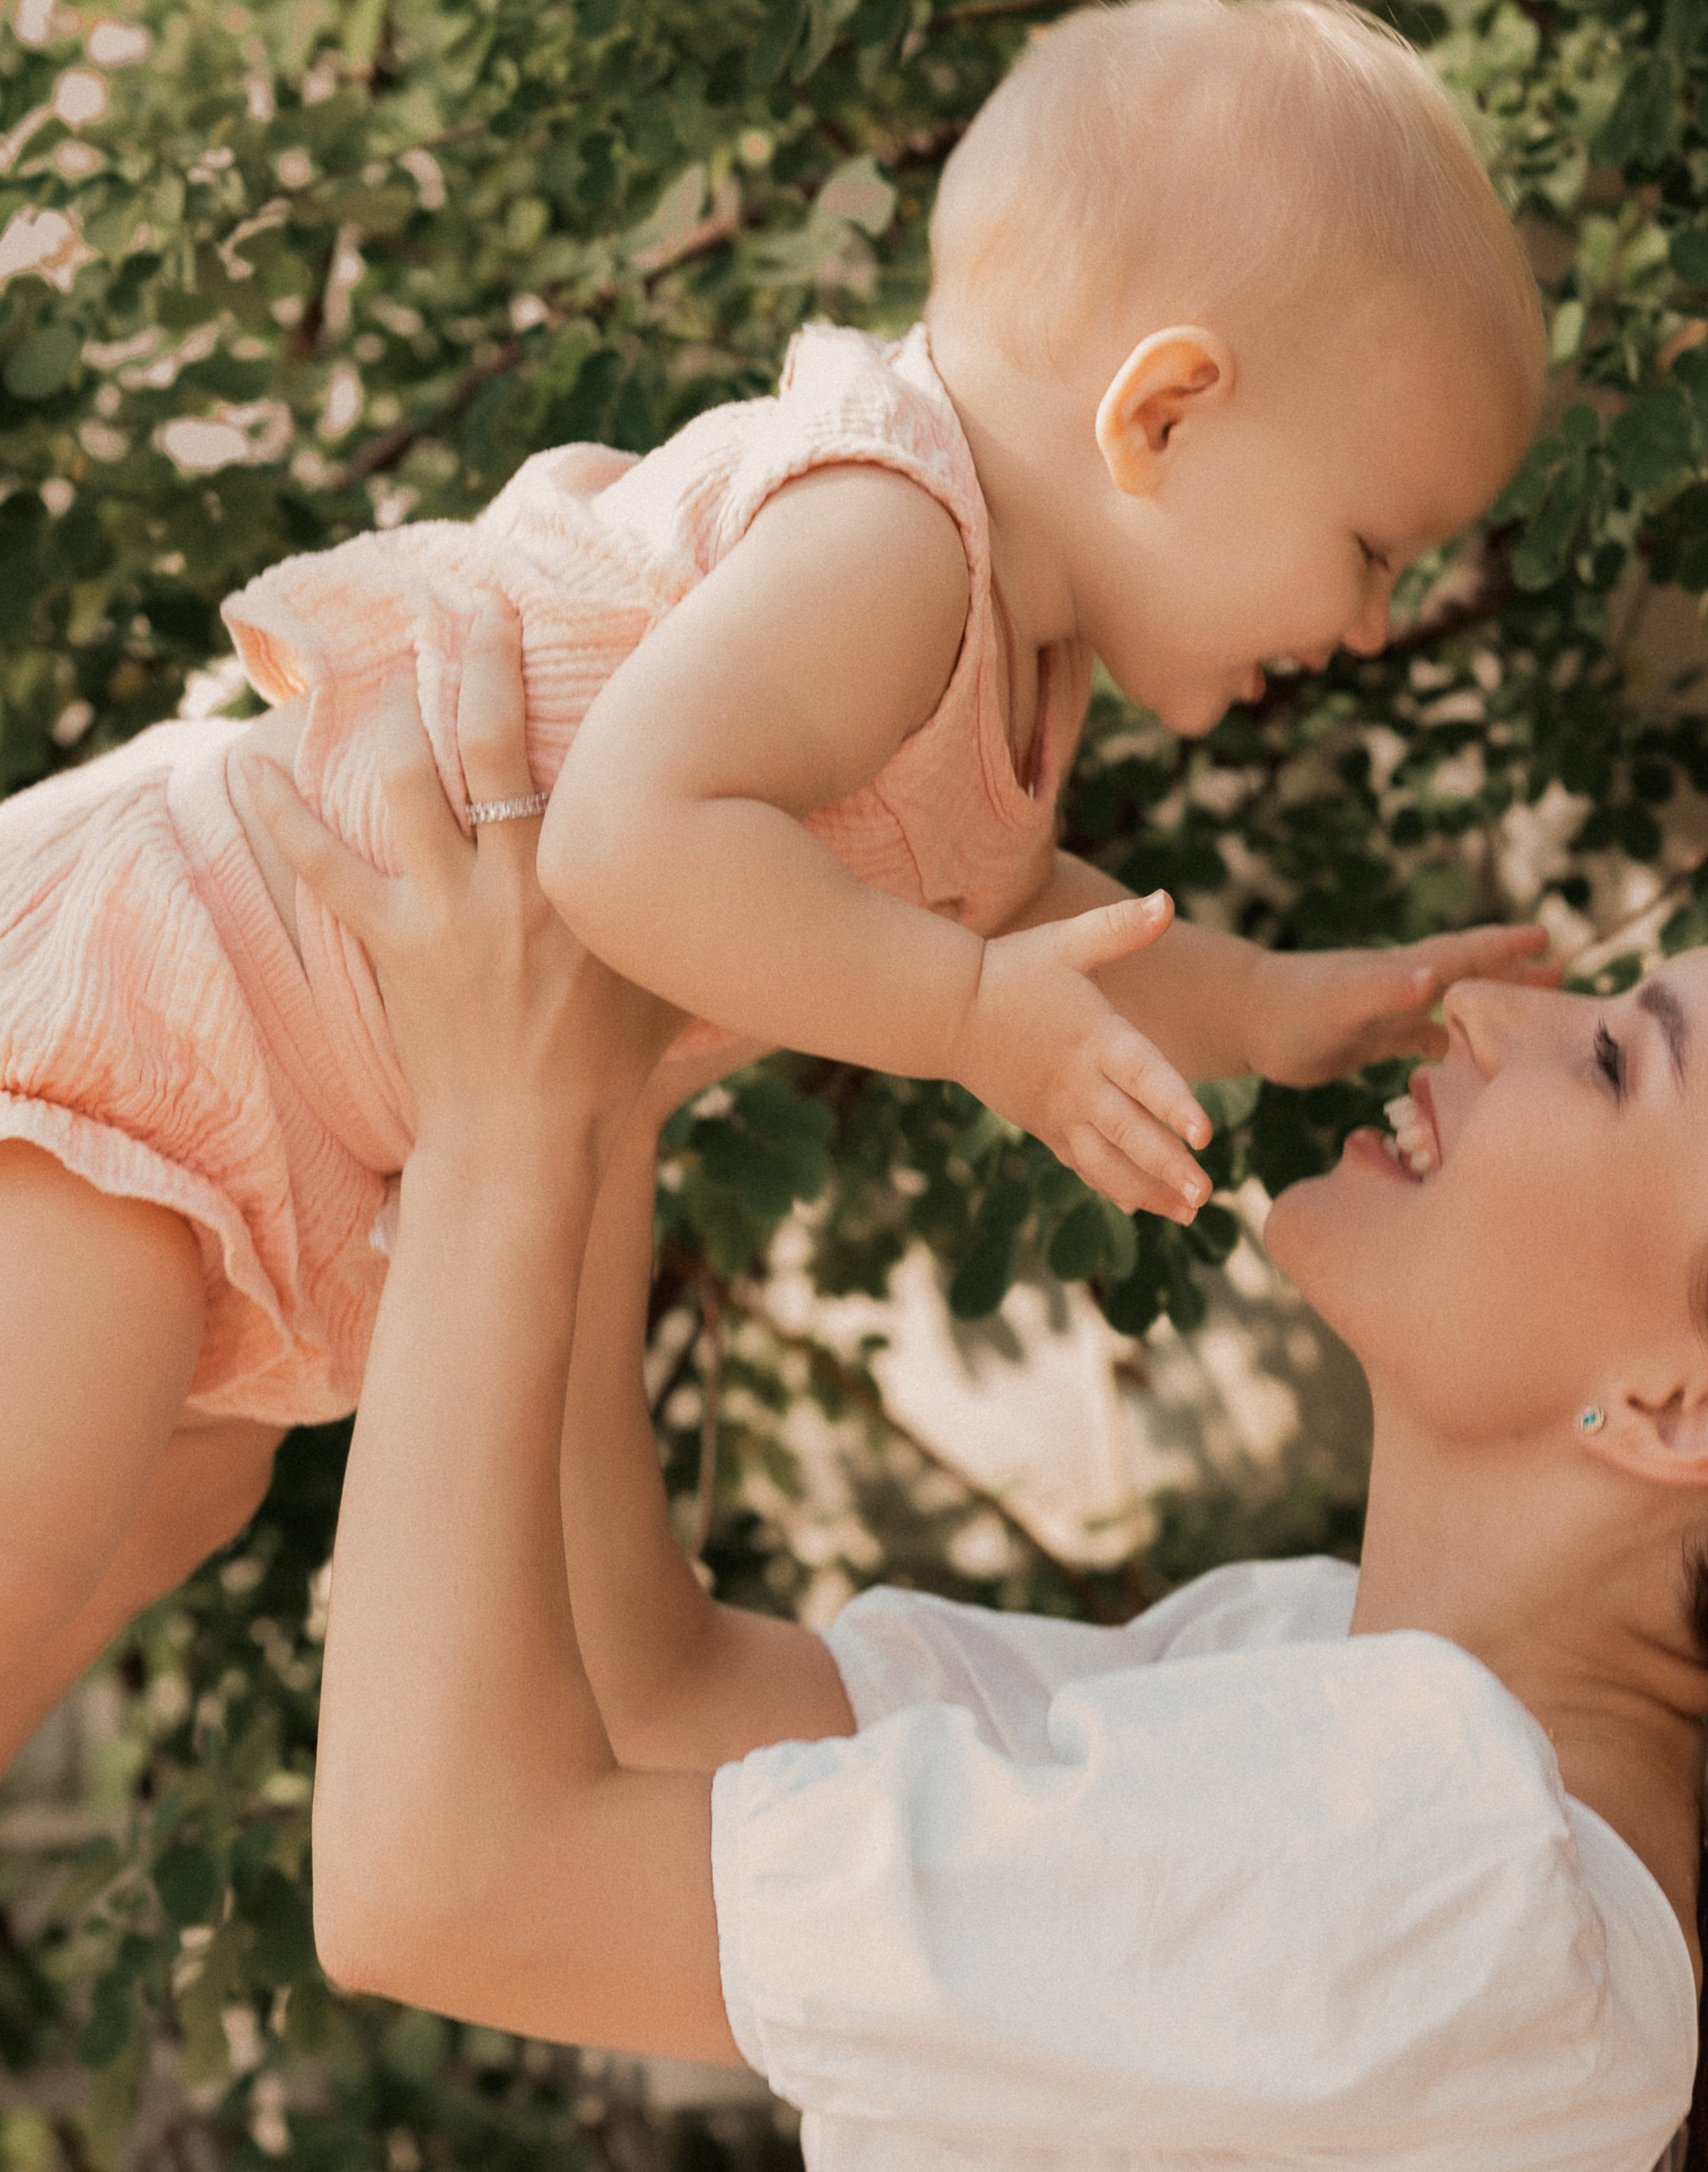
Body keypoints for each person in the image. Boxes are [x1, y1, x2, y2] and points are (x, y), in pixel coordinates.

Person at [258, 611, 1708, 2170]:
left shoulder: (1448, 1863)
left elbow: (438, 1882)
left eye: (1611, 1062)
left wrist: (501, 1132)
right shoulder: (1325, 1681)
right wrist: (588, 1053)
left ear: (1678, 1407)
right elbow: (660, 1699)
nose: (1494, 1013)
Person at [0, 0, 1553, 1768]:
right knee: (35, 1540)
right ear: (1166, 412)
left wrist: (1258, 1003)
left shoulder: (1005, 661)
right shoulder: (892, 536)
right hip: (180, 999)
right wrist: (967, 1023)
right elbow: (627, 843)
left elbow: (1024, 917)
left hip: (304, 1130)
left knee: (152, 1519)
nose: (1367, 624)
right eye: (1368, 548)